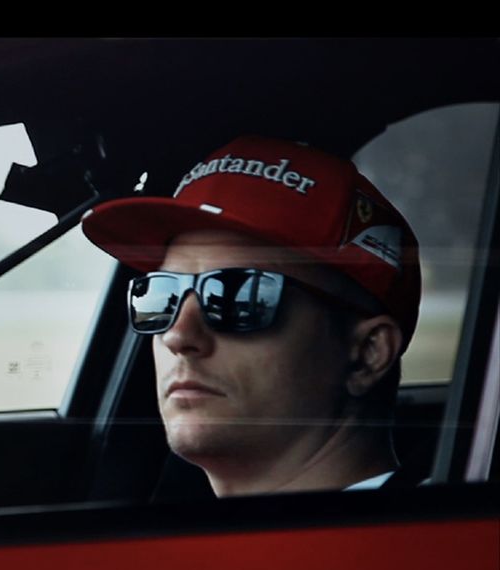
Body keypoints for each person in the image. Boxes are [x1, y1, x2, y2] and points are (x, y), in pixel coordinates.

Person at [81, 135, 421, 496]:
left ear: (368, 353)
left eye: (238, 295)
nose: (177, 336)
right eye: (162, 295)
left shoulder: (428, 532)